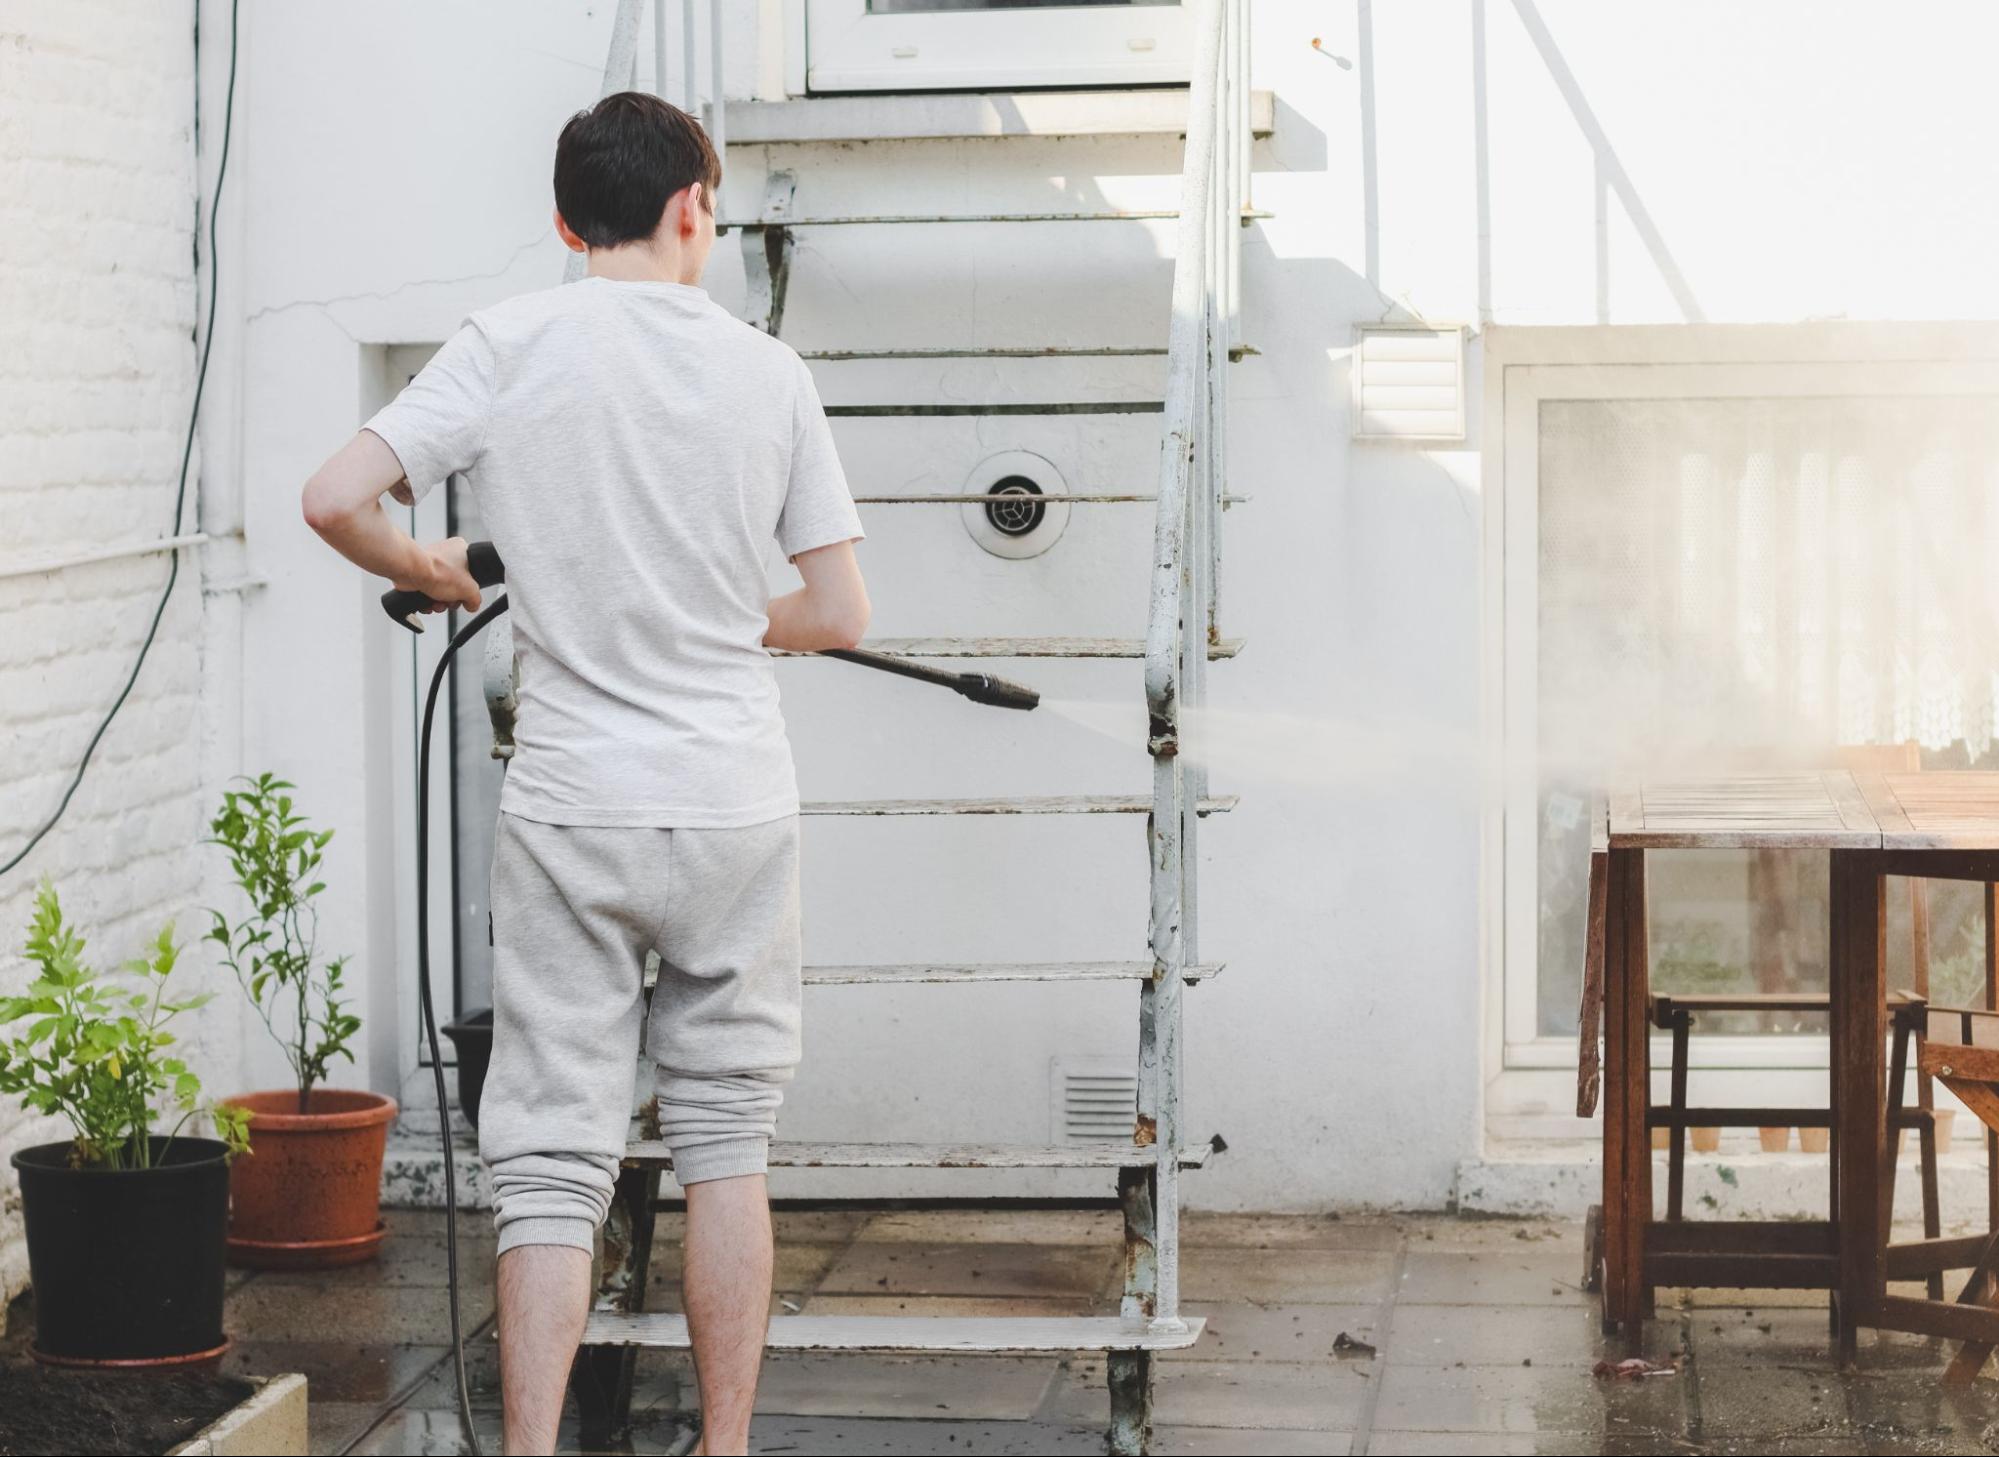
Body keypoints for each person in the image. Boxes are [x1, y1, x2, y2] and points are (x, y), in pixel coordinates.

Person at [301, 92, 868, 1457]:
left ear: (567, 224)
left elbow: (331, 498)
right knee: (727, 1140)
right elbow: (840, 612)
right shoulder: (768, 373)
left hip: (573, 810)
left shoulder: (509, 344)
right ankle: (724, 1445)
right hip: (732, 804)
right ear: (693, 209)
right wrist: (717, 620)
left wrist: (428, 563)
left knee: (552, 1158)